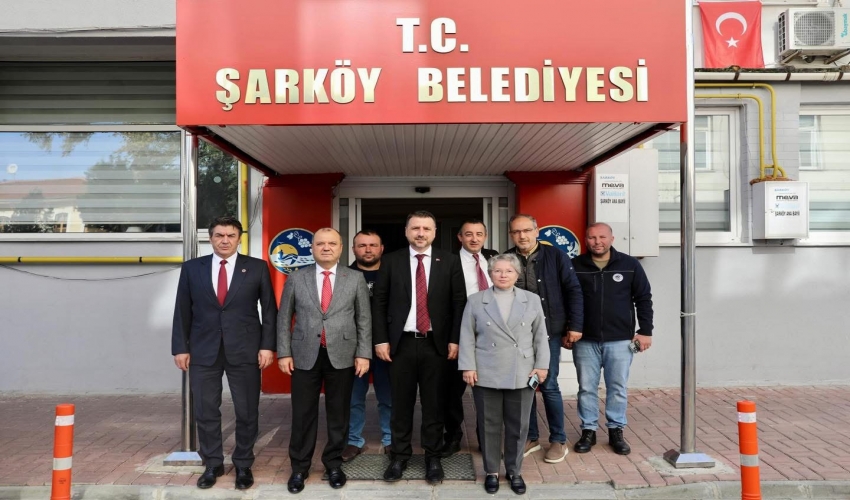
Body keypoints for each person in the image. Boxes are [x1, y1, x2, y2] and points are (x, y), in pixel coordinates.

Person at [171, 216, 277, 490]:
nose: (225, 240)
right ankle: (213, 463)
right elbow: (182, 310)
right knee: (206, 409)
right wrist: (180, 347)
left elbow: (269, 310)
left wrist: (267, 346)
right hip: (203, 350)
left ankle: (243, 463)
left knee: (247, 410)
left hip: (245, 349)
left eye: (231, 235)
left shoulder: (256, 267)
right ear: (210, 238)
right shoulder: (192, 268)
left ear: (239, 238)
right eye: (219, 235)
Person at [372, 210, 467, 484]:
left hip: (437, 346)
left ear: (434, 232)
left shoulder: (450, 261)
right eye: (415, 228)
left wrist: (455, 339)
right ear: (406, 231)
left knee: (434, 404)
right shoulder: (391, 261)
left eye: (426, 228)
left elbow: (458, 302)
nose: (421, 233)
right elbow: (379, 302)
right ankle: (399, 456)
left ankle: (432, 457)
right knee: (400, 404)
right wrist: (381, 339)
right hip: (400, 345)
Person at [277, 228, 372, 494]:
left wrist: (363, 353)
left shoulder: (355, 278)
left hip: (342, 354)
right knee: (303, 413)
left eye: (332, 243)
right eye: (320, 243)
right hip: (304, 355)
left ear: (341, 248)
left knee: (339, 413)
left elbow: (364, 319)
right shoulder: (297, 278)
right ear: (312, 248)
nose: (326, 247)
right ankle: (299, 467)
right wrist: (284, 352)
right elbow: (284, 317)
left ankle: (333, 464)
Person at [459, 253, 550, 495]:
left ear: (517, 274)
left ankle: (514, 471)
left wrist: (542, 366)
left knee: (518, 425)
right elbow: (466, 336)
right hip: (486, 370)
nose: (503, 275)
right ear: (490, 274)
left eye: (509, 271)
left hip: (522, 371)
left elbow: (540, 336)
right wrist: (468, 366)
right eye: (497, 270)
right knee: (488, 424)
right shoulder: (476, 300)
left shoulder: (531, 300)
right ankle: (491, 471)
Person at [568, 222, 653, 456]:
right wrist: (568, 329)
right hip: (585, 340)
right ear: (586, 240)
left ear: (612, 239)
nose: (597, 242)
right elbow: (567, 300)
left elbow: (643, 299)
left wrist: (645, 331)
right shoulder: (575, 265)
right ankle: (588, 430)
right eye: (592, 238)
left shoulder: (630, 264)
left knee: (617, 387)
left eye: (602, 237)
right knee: (586, 388)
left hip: (620, 340)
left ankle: (616, 430)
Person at [506, 214, 583, 464]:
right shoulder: (507, 259)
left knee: (548, 385)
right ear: (511, 234)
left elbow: (573, 290)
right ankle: (530, 437)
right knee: (523, 386)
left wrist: (575, 325)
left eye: (527, 230)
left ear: (536, 231)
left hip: (548, 331)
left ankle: (558, 439)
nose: (522, 236)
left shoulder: (556, 256)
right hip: (517, 335)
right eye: (516, 232)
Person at [440, 219, 498, 457]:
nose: (474, 239)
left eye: (479, 234)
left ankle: (486, 439)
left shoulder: (494, 258)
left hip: (491, 335)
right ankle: (453, 436)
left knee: (488, 391)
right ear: (460, 237)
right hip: (460, 332)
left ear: (485, 236)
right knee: (452, 391)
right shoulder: (448, 261)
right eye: (469, 234)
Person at [342, 230, 392, 461]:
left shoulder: (393, 274)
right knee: (353, 397)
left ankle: (390, 439)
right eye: (362, 245)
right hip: (353, 347)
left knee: (388, 396)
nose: (368, 249)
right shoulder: (343, 276)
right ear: (353, 249)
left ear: (382, 248)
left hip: (386, 346)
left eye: (373, 245)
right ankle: (353, 440)